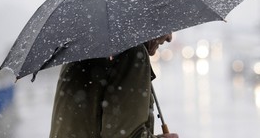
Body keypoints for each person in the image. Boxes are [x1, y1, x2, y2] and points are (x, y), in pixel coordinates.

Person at [49, 33, 179, 138]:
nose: (169, 37)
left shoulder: (82, 48)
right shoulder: (131, 52)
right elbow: (124, 135)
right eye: (168, 27)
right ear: (146, 18)